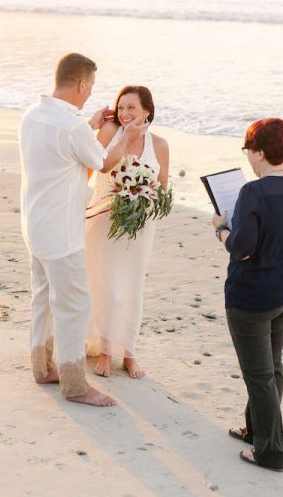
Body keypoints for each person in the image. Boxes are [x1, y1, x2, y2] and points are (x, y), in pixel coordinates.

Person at [19, 53, 147, 407]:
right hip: (61, 232)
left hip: (34, 224)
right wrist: (124, 136)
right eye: (90, 87)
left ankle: (42, 367)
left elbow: (63, 148)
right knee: (75, 304)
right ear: (81, 84)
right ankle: (75, 385)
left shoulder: (33, 115)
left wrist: (89, 125)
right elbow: (104, 161)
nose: (90, 94)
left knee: (43, 299)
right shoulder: (72, 127)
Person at [211, 118, 283, 471]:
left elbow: (239, 249)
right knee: (272, 367)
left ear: (259, 152)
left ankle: (270, 452)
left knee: (259, 376)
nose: (248, 158)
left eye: (248, 150)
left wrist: (222, 228)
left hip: (252, 297)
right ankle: (256, 431)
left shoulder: (252, 193)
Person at [84, 86, 170, 378]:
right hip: (104, 221)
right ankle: (106, 351)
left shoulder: (159, 145)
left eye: (132, 108)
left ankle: (129, 353)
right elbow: (102, 165)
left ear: (147, 110)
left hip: (140, 226)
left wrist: (144, 196)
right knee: (109, 287)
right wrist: (127, 138)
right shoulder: (110, 134)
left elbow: (163, 188)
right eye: (121, 108)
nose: (125, 113)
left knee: (133, 288)